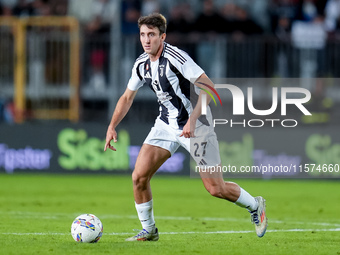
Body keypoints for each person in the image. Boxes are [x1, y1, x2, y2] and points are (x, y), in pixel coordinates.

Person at [104, 13, 268, 241]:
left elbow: (209, 88)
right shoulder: (141, 63)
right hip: (165, 125)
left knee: (215, 188)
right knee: (138, 177)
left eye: (151, 34)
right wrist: (112, 126)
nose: (146, 40)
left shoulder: (176, 57)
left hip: (197, 125)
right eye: (143, 34)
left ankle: (255, 205)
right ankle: (149, 230)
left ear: (163, 36)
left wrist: (192, 120)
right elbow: (126, 97)